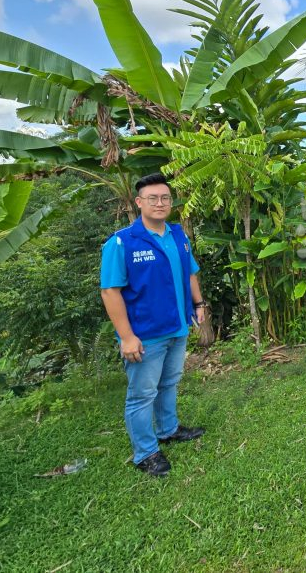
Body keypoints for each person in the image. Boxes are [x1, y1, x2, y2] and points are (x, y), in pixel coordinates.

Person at [100, 173, 206, 477]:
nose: (160, 203)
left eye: (165, 198)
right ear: (139, 202)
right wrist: (126, 336)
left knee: (169, 383)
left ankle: (169, 429)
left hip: (177, 326)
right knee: (141, 394)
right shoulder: (122, 242)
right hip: (145, 335)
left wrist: (199, 305)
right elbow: (110, 291)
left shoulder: (178, 235)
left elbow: (191, 273)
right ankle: (145, 453)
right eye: (153, 198)